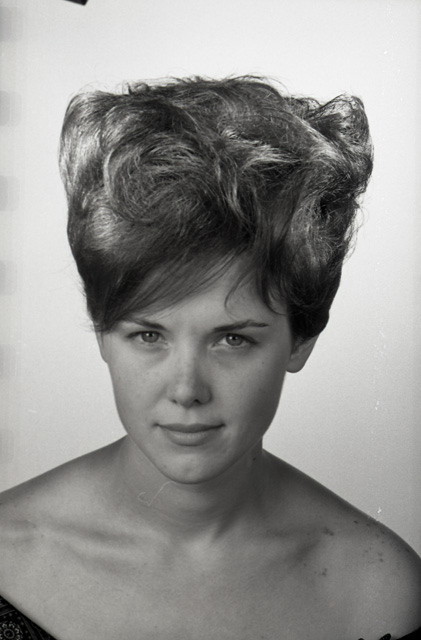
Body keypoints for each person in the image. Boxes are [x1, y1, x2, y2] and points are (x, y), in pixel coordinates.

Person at [0, 76, 420, 640]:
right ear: (101, 332)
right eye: (149, 336)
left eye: (232, 340)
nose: (186, 390)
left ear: (301, 339)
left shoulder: (378, 591)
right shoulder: (8, 558)